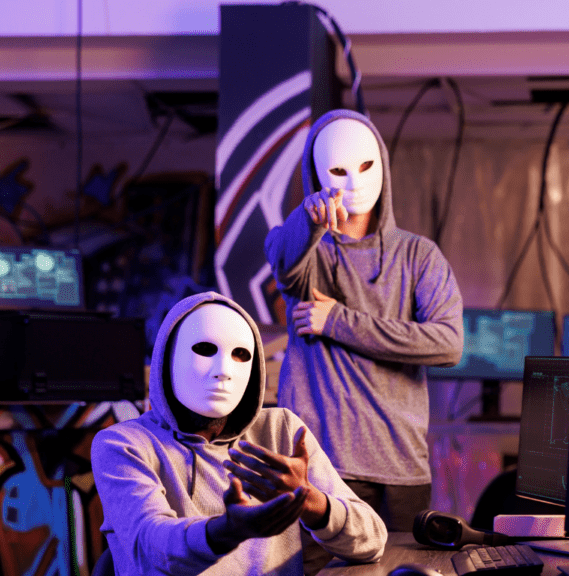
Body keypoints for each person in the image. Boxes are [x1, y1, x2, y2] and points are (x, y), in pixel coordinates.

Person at [264, 109, 464, 531]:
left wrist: (337, 320)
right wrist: (308, 218)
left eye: (365, 166)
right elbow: (282, 257)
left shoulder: (418, 255)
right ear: (317, 175)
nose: (354, 182)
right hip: (323, 467)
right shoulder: (305, 251)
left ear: (383, 167)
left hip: (402, 466)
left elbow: (447, 343)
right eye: (338, 169)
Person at [91, 292, 386, 575]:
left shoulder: (281, 432)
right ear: (168, 359)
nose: (223, 370)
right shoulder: (123, 444)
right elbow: (151, 547)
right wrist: (226, 531)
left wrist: (308, 500)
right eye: (205, 350)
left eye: (240, 355)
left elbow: (372, 540)